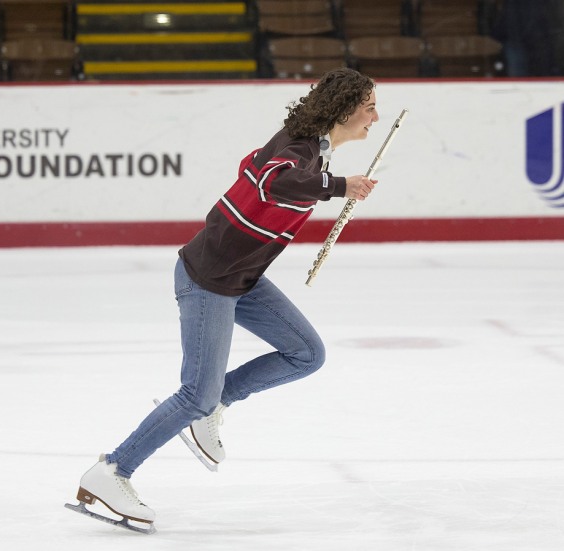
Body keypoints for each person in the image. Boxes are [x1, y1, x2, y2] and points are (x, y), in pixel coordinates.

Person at [71, 68, 380, 530]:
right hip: (208, 279)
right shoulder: (298, 150)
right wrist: (338, 187)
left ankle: (218, 403)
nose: (376, 116)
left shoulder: (312, 149)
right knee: (195, 394)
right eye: (370, 105)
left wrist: (331, 182)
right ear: (345, 109)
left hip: (243, 279)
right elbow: (273, 181)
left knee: (306, 353)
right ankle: (112, 471)